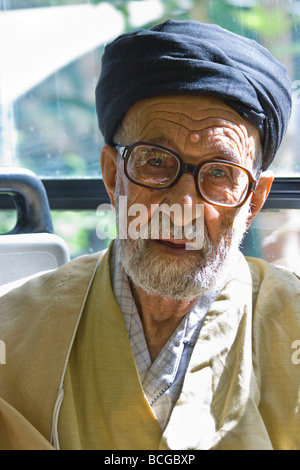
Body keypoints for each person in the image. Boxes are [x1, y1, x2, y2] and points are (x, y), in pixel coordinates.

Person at [0, 19, 299, 451]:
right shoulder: (12, 333)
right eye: (156, 161)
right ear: (111, 174)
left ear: (253, 201)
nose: (182, 205)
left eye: (220, 173)